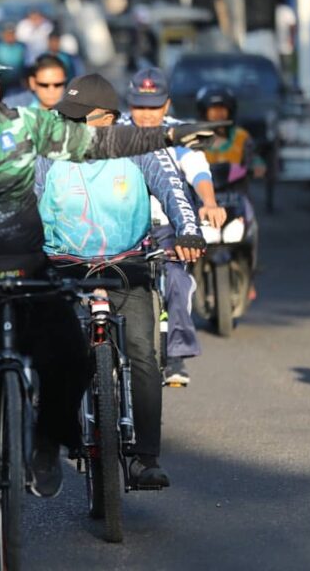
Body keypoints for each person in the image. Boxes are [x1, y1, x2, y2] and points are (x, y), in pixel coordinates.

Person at [0, 37, 219, 503]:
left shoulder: (26, 124)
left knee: (89, 355)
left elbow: (119, 152)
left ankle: (58, 449)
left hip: (64, 269)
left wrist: (170, 143)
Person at [35, 74, 205, 487]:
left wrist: (189, 232)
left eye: (80, 119)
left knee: (144, 352)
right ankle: (53, 440)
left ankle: (146, 458)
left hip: (127, 264)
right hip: (64, 265)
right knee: (58, 355)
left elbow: (174, 190)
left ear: (109, 119)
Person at [124, 67, 227, 386]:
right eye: (139, 106)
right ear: (129, 103)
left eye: (154, 106)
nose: (146, 114)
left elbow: (197, 170)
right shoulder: (115, 132)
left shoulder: (178, 133)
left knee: (177, 282)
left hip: (166, 227)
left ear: (166, 105)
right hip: (123, 227)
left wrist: (208, 202)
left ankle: (176, 355)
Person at [196, 84, 261, 299]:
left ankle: (250, 277)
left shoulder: (242, 137)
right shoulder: (194, 137)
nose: (218, 114)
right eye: (213, 109)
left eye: (222, 109)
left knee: (252, 231)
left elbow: (254, 159)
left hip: (236, 196)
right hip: (205, 199)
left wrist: (257, 166)